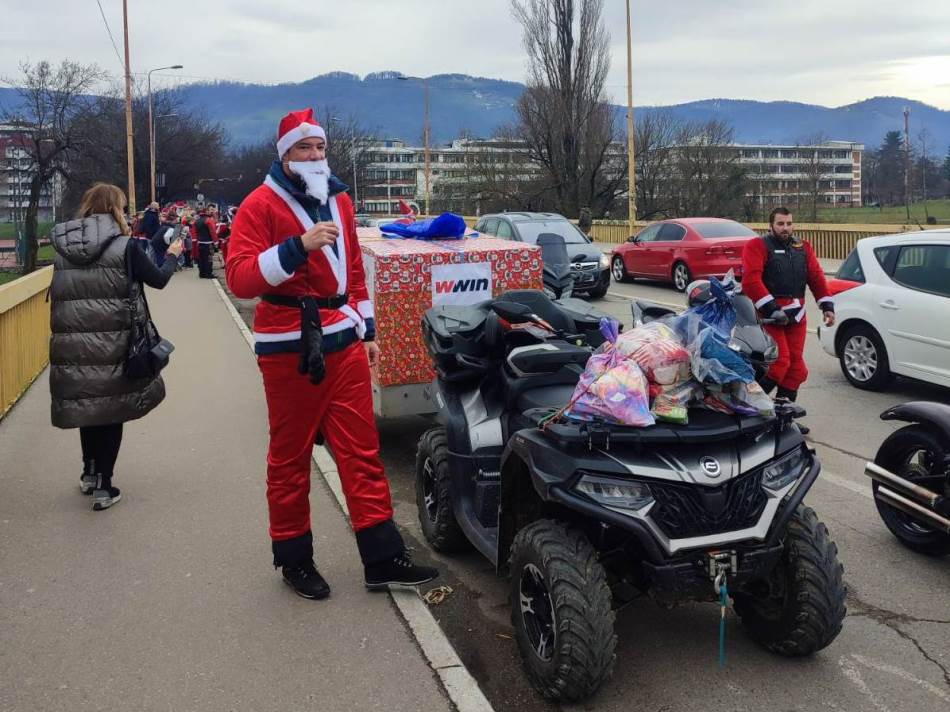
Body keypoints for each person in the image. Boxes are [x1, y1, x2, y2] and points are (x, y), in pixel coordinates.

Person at [226, 108, 438, 600]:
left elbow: (356, 273)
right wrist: (296, 247)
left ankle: (383, 559)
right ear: (285, 155)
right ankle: (295, 559)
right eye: (305, 148)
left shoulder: (338, 198)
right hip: (289, 347)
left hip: (342, 339)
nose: (316, 155)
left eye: (320, 147)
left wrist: (367, 330)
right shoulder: (259, 205)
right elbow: (238, 277)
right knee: (290, 457)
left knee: (362, 452)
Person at [49, 183, 183, 510]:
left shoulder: (63, 246)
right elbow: (159, 279)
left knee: (89, 406)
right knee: (111, 410)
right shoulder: (125, 247)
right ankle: (105, 487)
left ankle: (89, 473)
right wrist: (172, 257)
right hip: (116, 342)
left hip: (73, 343)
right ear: (115, 210)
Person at [741, 207, 835, 434]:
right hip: (770, 317)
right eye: (781, 224)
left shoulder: (803, 248)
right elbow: (751, 281)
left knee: (797, 370)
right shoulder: (757, 246)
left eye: (789, 223)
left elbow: (816, 277)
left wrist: (827, 306)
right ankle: (749, 408)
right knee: (779, 364)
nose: (786, 228)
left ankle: (783, 418)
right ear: (771, 225)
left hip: (798, 316)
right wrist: (772, 309)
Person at [194, 208, 217, 278]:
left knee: (201, 258)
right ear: (206, 212)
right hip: (209, 243)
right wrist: (216, 242)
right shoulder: (208, 220)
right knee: (209, 259)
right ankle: (208, 274)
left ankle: (202, 273)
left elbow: (196, 232)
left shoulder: (196, 221)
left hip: (200, 242)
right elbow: (212, 232)